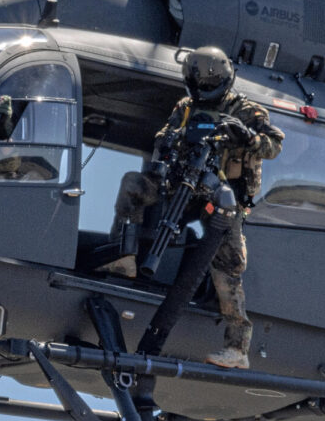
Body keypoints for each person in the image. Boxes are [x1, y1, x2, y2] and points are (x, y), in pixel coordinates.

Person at [108, 46, 284, 368]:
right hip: (182, 184)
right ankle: (125, 260)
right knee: (133, 185)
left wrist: (246, 137)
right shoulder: (186, 107)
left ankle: (237, 347)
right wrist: (172, 141)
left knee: (229, 263)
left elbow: (274, 143)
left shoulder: (246, 110)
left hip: (221, 194)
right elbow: (165, 133)